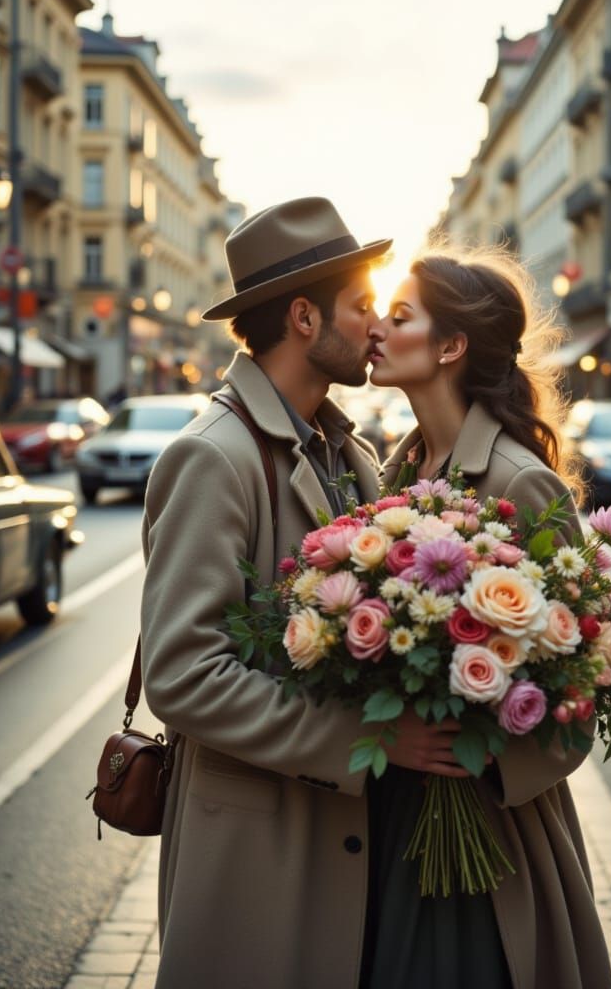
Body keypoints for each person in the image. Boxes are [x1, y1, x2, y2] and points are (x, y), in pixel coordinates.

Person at [139, 197, 475, 988]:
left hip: (339, 842)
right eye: (361, 306)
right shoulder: (212, 458)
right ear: (301, 317)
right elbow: (183, 675)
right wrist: (365, 740)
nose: (375, 326)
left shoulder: (345, 446)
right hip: (256, 850)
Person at [365, 244, 611, 988]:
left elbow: (584, 684)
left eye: (399, 315)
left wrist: (476, 750)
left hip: (495, 830)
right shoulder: (393, 477)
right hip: (393, 816)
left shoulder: (521, 480)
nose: (377, 327)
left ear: (450, 346)